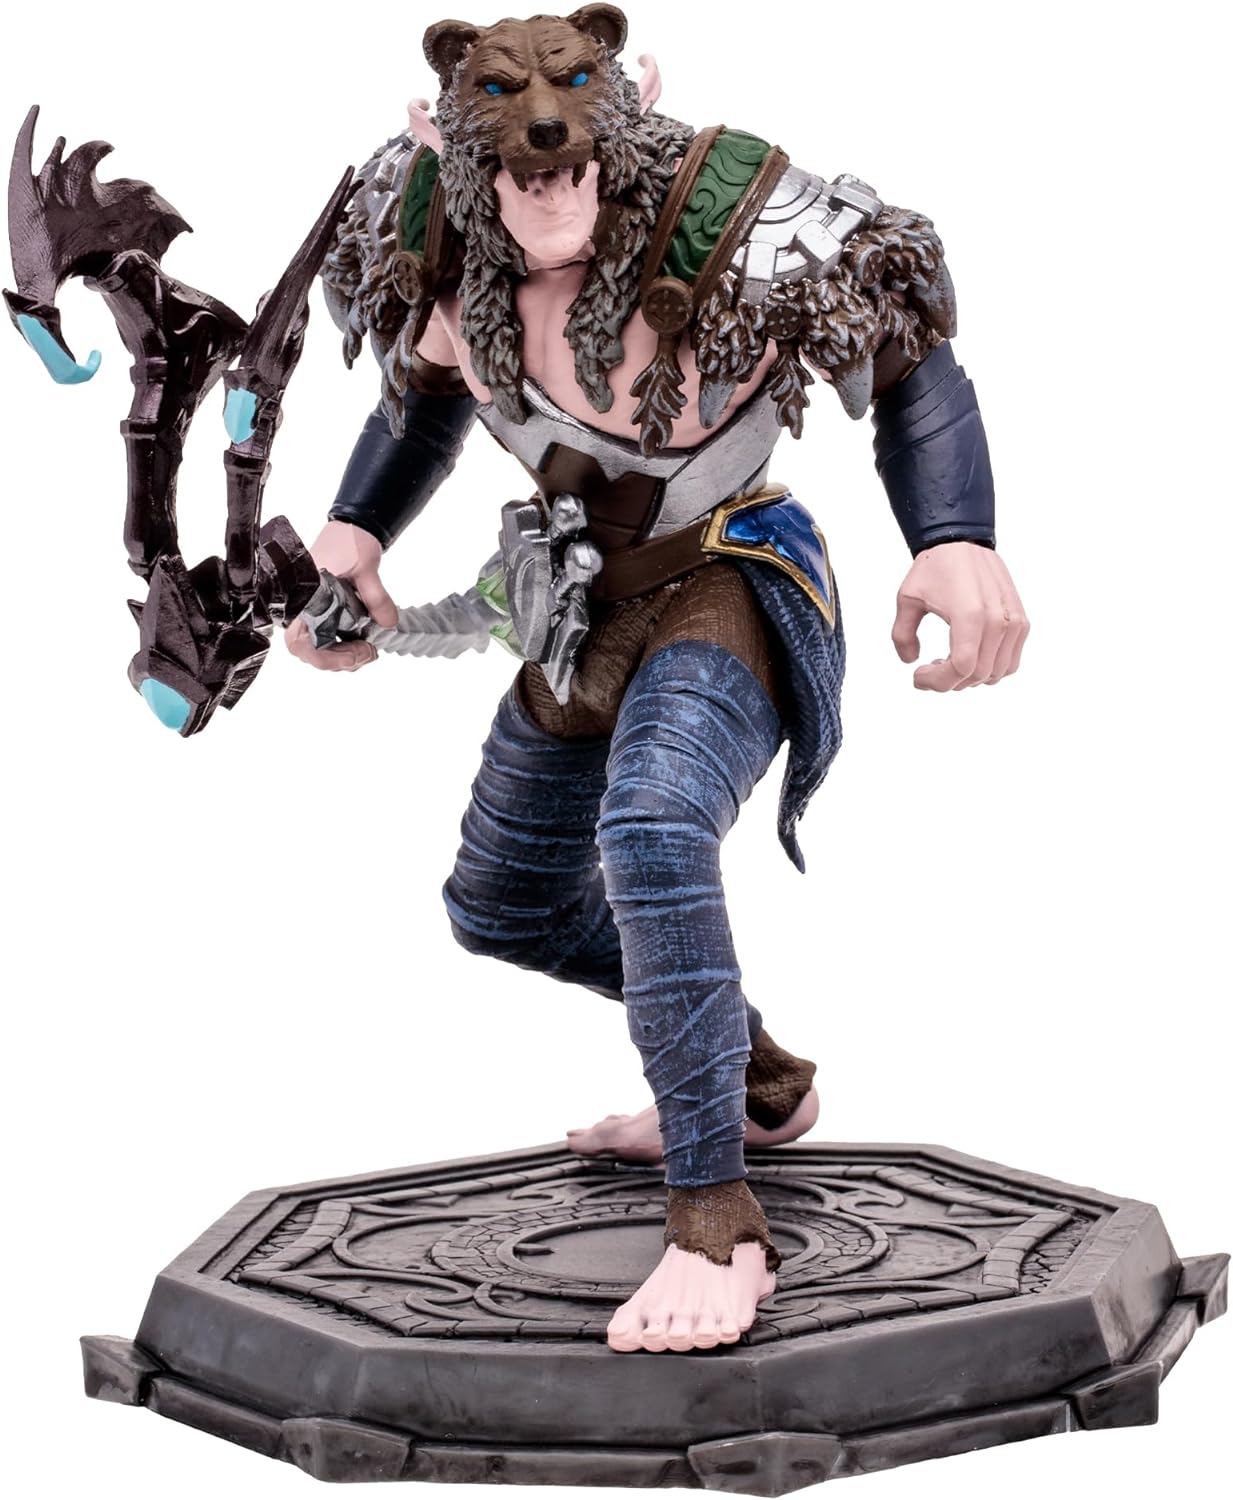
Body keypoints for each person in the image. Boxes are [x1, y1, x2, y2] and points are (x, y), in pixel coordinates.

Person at [285, 3, 1029, 1353]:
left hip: (727, 574)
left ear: (616, 103)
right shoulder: (439, 239)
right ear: (455, 138)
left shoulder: (733, 219)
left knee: (651, 830)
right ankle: (746, 1078)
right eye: (506, 120)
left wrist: (956, 535)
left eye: (568, 102)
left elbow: (905, 353)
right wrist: (353, 536)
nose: (542, 146)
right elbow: (423, 398)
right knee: (501, 905)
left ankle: (715, 1220)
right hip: (579, 603)